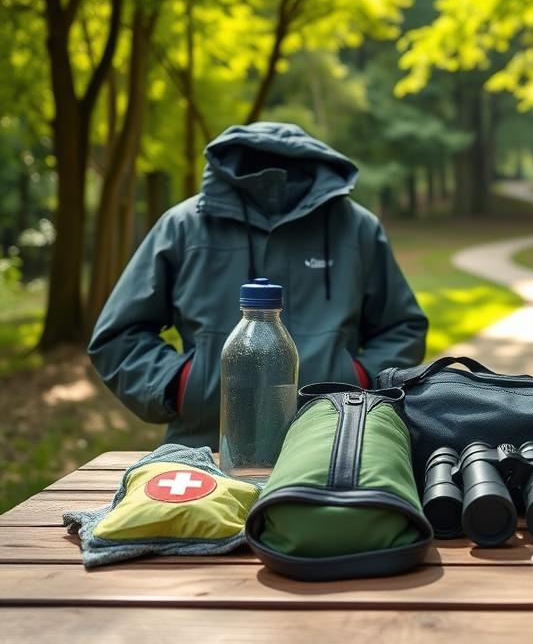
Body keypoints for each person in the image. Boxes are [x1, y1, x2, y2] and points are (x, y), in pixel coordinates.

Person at [89, 122, 428, 448]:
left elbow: (401, 326)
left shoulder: (357, 229)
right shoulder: (184, 227)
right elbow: (118, 335)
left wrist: (360, 380)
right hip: (205, 450)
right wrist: (180, 385)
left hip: (336, 445)